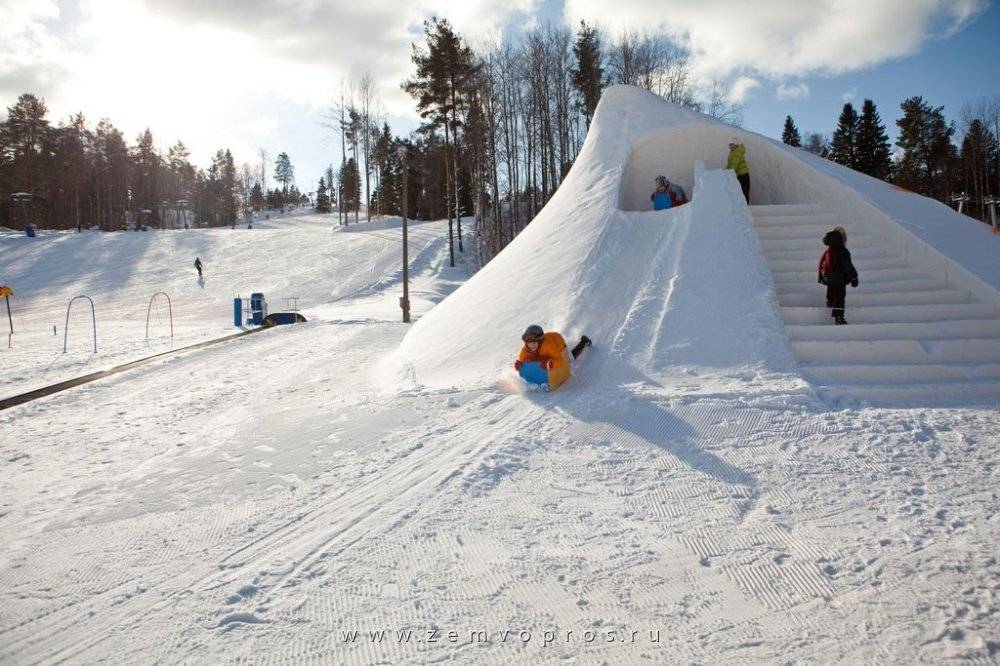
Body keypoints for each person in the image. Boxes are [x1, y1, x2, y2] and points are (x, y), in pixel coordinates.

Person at [514, 325, 591, 388]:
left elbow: (560, 360)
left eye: (534, 342)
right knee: (537, 359)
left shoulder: (548, 346)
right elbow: (524, 362)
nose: (531, 345)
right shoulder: (526, 349)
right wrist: (520, 365)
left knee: (570, 359)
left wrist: (551, 364)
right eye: (529, 342)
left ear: (540, 341)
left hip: (558, 343)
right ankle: (545, 360)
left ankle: (583, 342)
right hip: (544, 351)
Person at [817, 226, 858, 325]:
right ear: (843, 238)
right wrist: (853, 277)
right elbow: (847, 265)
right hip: (839, 278)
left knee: (831, 288)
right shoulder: (843, 251)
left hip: (829, 276)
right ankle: (839, 317)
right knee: (840, 296)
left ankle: (829, 301)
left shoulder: (829, 250)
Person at [726, 137, 750, 203]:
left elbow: (734, 164)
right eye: (729, 144)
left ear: (736, 145)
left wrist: (728, 172)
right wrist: (726, 171)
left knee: (744, 192)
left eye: (731, 144)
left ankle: (745, 209)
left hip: (743, 175)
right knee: (741, 192)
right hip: (740, 175)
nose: (730, 146)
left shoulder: (737, 153)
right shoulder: (733, 152)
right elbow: (730, 164)